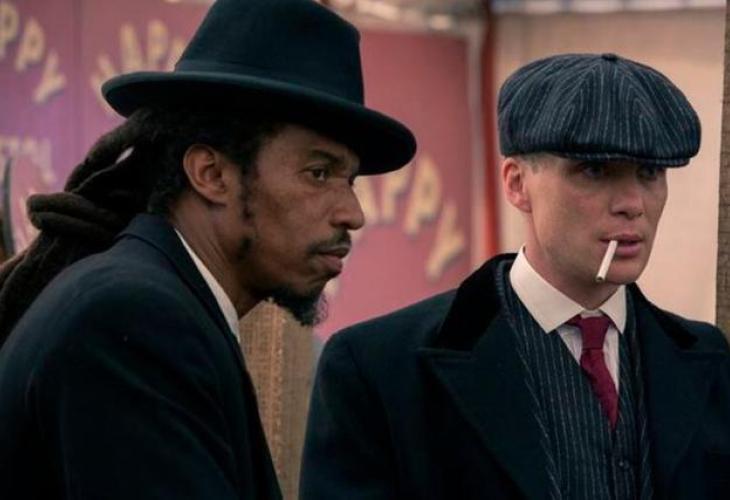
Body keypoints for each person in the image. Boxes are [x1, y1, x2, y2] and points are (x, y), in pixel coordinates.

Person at [0, 0, 415, 498]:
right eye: (319, 173)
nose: (353, 213)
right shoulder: (136, 319)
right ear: (211, 174)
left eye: (350, 180)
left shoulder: (161, 306)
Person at [301, 53, 730, 500]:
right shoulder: (379, 368)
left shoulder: (707, 358)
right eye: (595, 170)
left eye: (650, 173)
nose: (632, 203)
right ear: (517, 183)